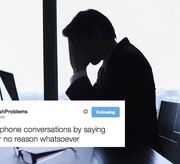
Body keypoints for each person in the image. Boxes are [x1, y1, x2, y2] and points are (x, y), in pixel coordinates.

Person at [63, 9, 158, 150]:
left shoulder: (127, 61)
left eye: (78, 45)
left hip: (135, 156)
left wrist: (78, 70)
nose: (76, 52)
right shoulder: (109, 64)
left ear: (96, 35)